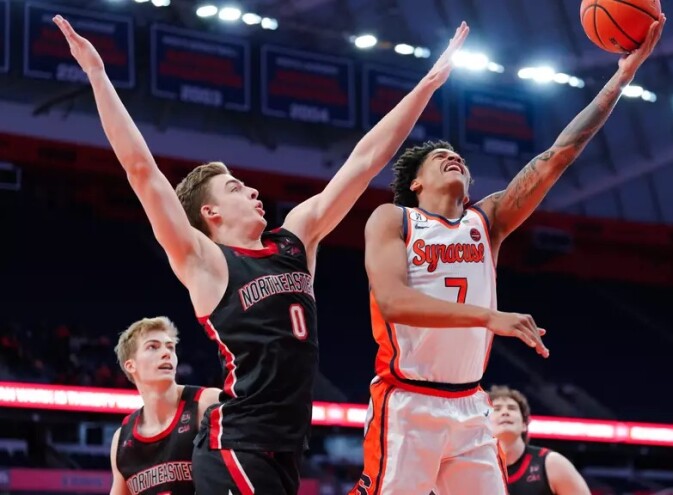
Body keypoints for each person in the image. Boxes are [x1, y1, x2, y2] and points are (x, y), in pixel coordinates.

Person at [54, 14, 470, 494]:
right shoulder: (205, 263)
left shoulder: (296, 239)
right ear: (209, 212)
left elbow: (364, 160)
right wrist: (98, 75)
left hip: (286, 451)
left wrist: (428, 85)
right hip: (236, 445)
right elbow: (141, 170)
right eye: (235, 187)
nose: (251, 189)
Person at [350, 15, 665, 495]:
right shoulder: (393, 220)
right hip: (407, 401)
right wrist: (488, 317)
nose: (453, 157)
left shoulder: (487, 219)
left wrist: (622, 76)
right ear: (415, 183)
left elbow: (559, 154)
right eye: (440, 158)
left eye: (458, 156)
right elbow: (392, 302)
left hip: (469, 405)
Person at [110, 316, 221, 495]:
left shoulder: (206, 403)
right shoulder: (121, 440)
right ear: (131, 365)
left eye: (170, 347)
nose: (166, 353)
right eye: (153, 347)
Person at [489, 386, 590, 495]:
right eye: (497, 409)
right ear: (485, 424)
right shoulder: (474, 467)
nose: (505, 412)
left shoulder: (551, 463)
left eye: (512, 408)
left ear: (524, 424)